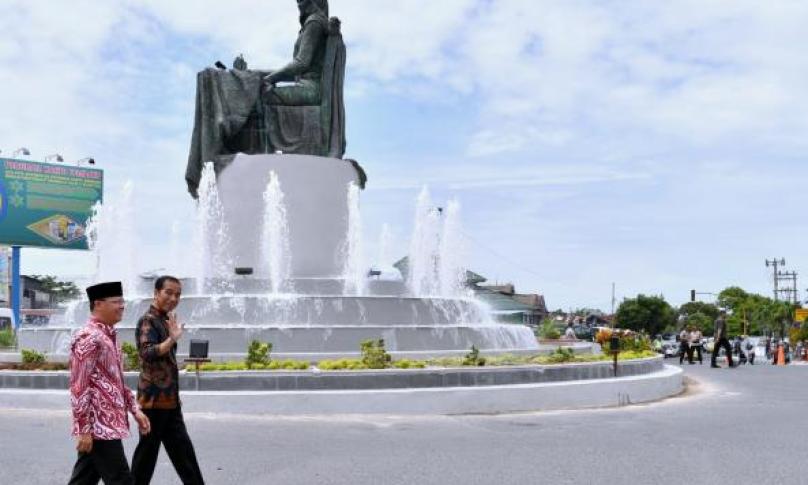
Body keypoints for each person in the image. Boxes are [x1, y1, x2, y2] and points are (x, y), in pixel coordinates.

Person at [68, 282, 151, 485]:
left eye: (122, 301)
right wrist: (83, 429)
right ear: (98, 304)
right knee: (121, 480)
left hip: (108, 423)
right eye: (116, 301)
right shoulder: (88, 337)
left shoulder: (109, 337)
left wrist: (134, 409)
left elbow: (117, 381)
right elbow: (79, 386)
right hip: (99, 426)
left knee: (83, 479)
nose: (122, 306)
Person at [131, 276, 204, 485]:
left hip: (169, 401)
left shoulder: (165, 320)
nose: (174, 298)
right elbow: (147, 353)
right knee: (146, 458)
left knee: (184, 454)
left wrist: (175, 395)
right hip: (152, 403)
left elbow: (168, 362)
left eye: (178, 294)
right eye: (169, 292)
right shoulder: (147, 320)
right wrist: (172, 338)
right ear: (156, 293)